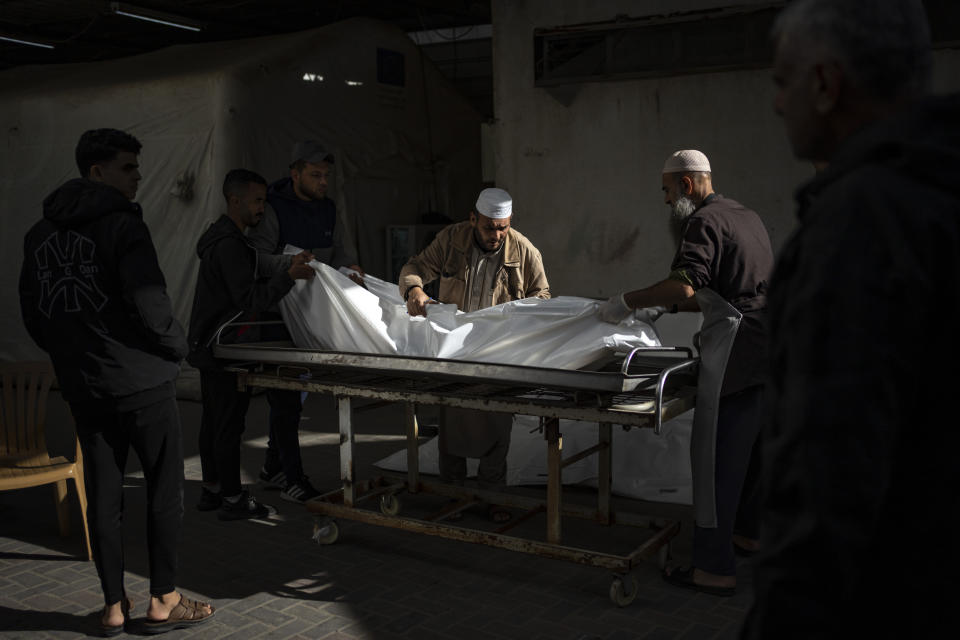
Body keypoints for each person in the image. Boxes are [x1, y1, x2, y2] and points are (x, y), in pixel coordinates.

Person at [742, 1, 958, 637]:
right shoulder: (939, 191)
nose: (779, 104)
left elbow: (827, 482)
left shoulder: (860, 227)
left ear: (826, 85)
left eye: (783, 83)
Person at [18, 128, 214, 634]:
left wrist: (72, 355)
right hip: (142, 383)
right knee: (163, 490)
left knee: (104, 495)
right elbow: (151, 305)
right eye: (127, 168)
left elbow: (34, 314)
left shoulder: (39, 235)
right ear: (96, 171)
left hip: (85, 387)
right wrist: (177, 348)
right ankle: (163, 601)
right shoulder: (123, 226)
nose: (137, 178)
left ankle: (111, 610)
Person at [599, 150, 773, 596]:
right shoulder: (745, 216)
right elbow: (723, 288)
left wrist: (628, 301)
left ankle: (713, 567)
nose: (664, 200)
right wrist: (668, 306)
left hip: (736, 349)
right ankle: (748, 533)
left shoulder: (702, 222)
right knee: (751, 453)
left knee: (715, 456)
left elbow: (687, 281)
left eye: (666, 190)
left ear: (687, 185)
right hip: (769, 346)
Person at [399, 187, 550, 522]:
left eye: (502, 228)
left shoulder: (524, 251)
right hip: (455, 350)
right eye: (488, 228)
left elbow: (543, 297)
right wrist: (415, 290)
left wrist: (517, 317)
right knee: (450, 420)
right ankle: (451, 493)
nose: (495, 235)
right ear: (473, 219)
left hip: (497, 354)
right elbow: (416, 267)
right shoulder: (452, 240)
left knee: (496, 423)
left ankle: (493, 497)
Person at [186, 169, 315, 520]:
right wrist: (288, 278)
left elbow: (258, 264)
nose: (262, 208)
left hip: (208, 344)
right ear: (235, 200)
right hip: (225, 347)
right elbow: (251, 299)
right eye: (257, 201)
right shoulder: (230, 246)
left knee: (213, 421)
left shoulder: (227, 241)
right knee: (228, 425)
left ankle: (211, 490)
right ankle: (231, 498)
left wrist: (287, 262)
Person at [246, 140, 363, 503]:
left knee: (292, 395)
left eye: (326, 175)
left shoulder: (328, 210)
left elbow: (342, 251)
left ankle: (271, 466)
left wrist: (353, 268)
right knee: (286, 398)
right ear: (294, 174)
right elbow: (257, 259)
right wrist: (291, 265)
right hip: (277, 316)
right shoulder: (273, 209)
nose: (323, 181)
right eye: (315, 175)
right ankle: (292, 477)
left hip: (313, 317)